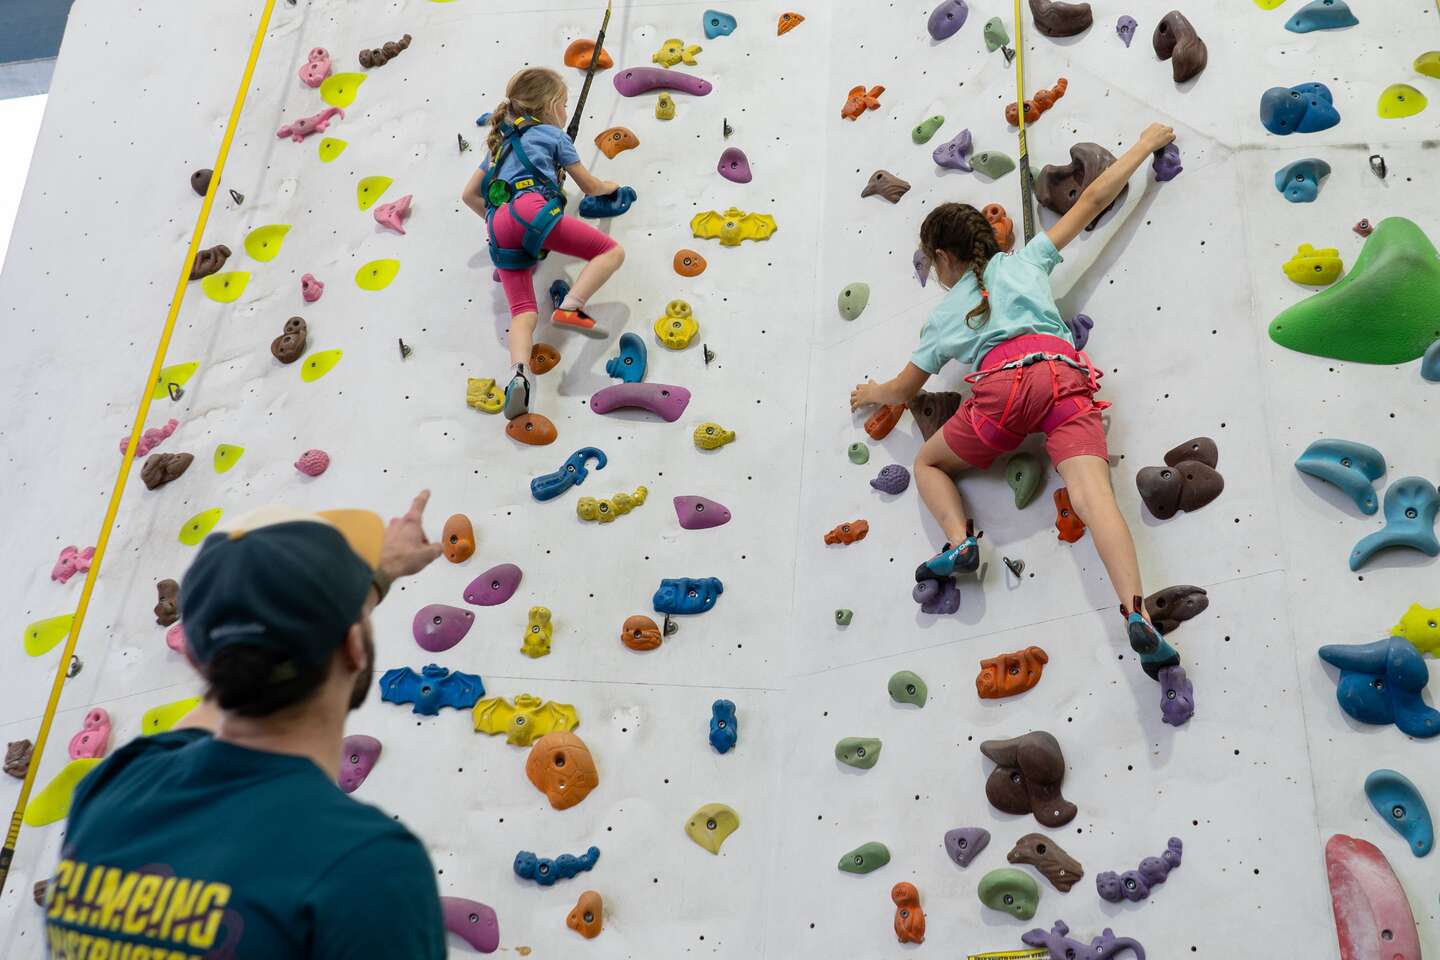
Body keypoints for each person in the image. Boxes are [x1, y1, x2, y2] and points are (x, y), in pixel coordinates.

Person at [43, 492, 447, 959]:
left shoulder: (112, 787)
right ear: (354, 647)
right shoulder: (365, 870)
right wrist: (369, 585)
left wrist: (370, 585)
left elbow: (221, 698)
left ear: (196, 662)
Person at [849, 123, 1180, 669]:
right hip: (1063, 376)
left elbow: (905, 390)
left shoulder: (944, 314)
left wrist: (871, 391)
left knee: (928, 462)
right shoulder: (1026, 261)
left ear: (942, 257)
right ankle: (1135, 611)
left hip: (1001, 394)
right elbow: (1094, 199)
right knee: (1095, 498)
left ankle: (959, 541)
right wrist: (1145, 145)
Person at [462, 67, 627, 420]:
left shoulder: (499, 147)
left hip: (498, 223)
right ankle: (571, 306)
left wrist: (498, 224)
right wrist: (610, 186)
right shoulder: (552, 135)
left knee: (523, 314)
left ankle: (518, 376)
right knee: (610, 252)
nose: (565, 111)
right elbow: (589, 187)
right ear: (551, 105)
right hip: (530, 209)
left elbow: (469, 195)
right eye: (564, 104)